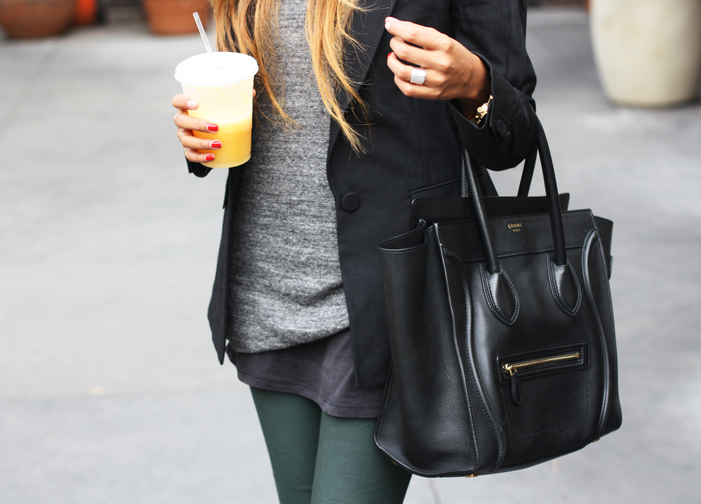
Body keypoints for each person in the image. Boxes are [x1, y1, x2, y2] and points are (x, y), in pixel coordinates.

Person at [172, 0, 538, 502]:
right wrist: (202, 135)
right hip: (269, 289)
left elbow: (513, 137)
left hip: (386, 299)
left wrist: (474, 83)